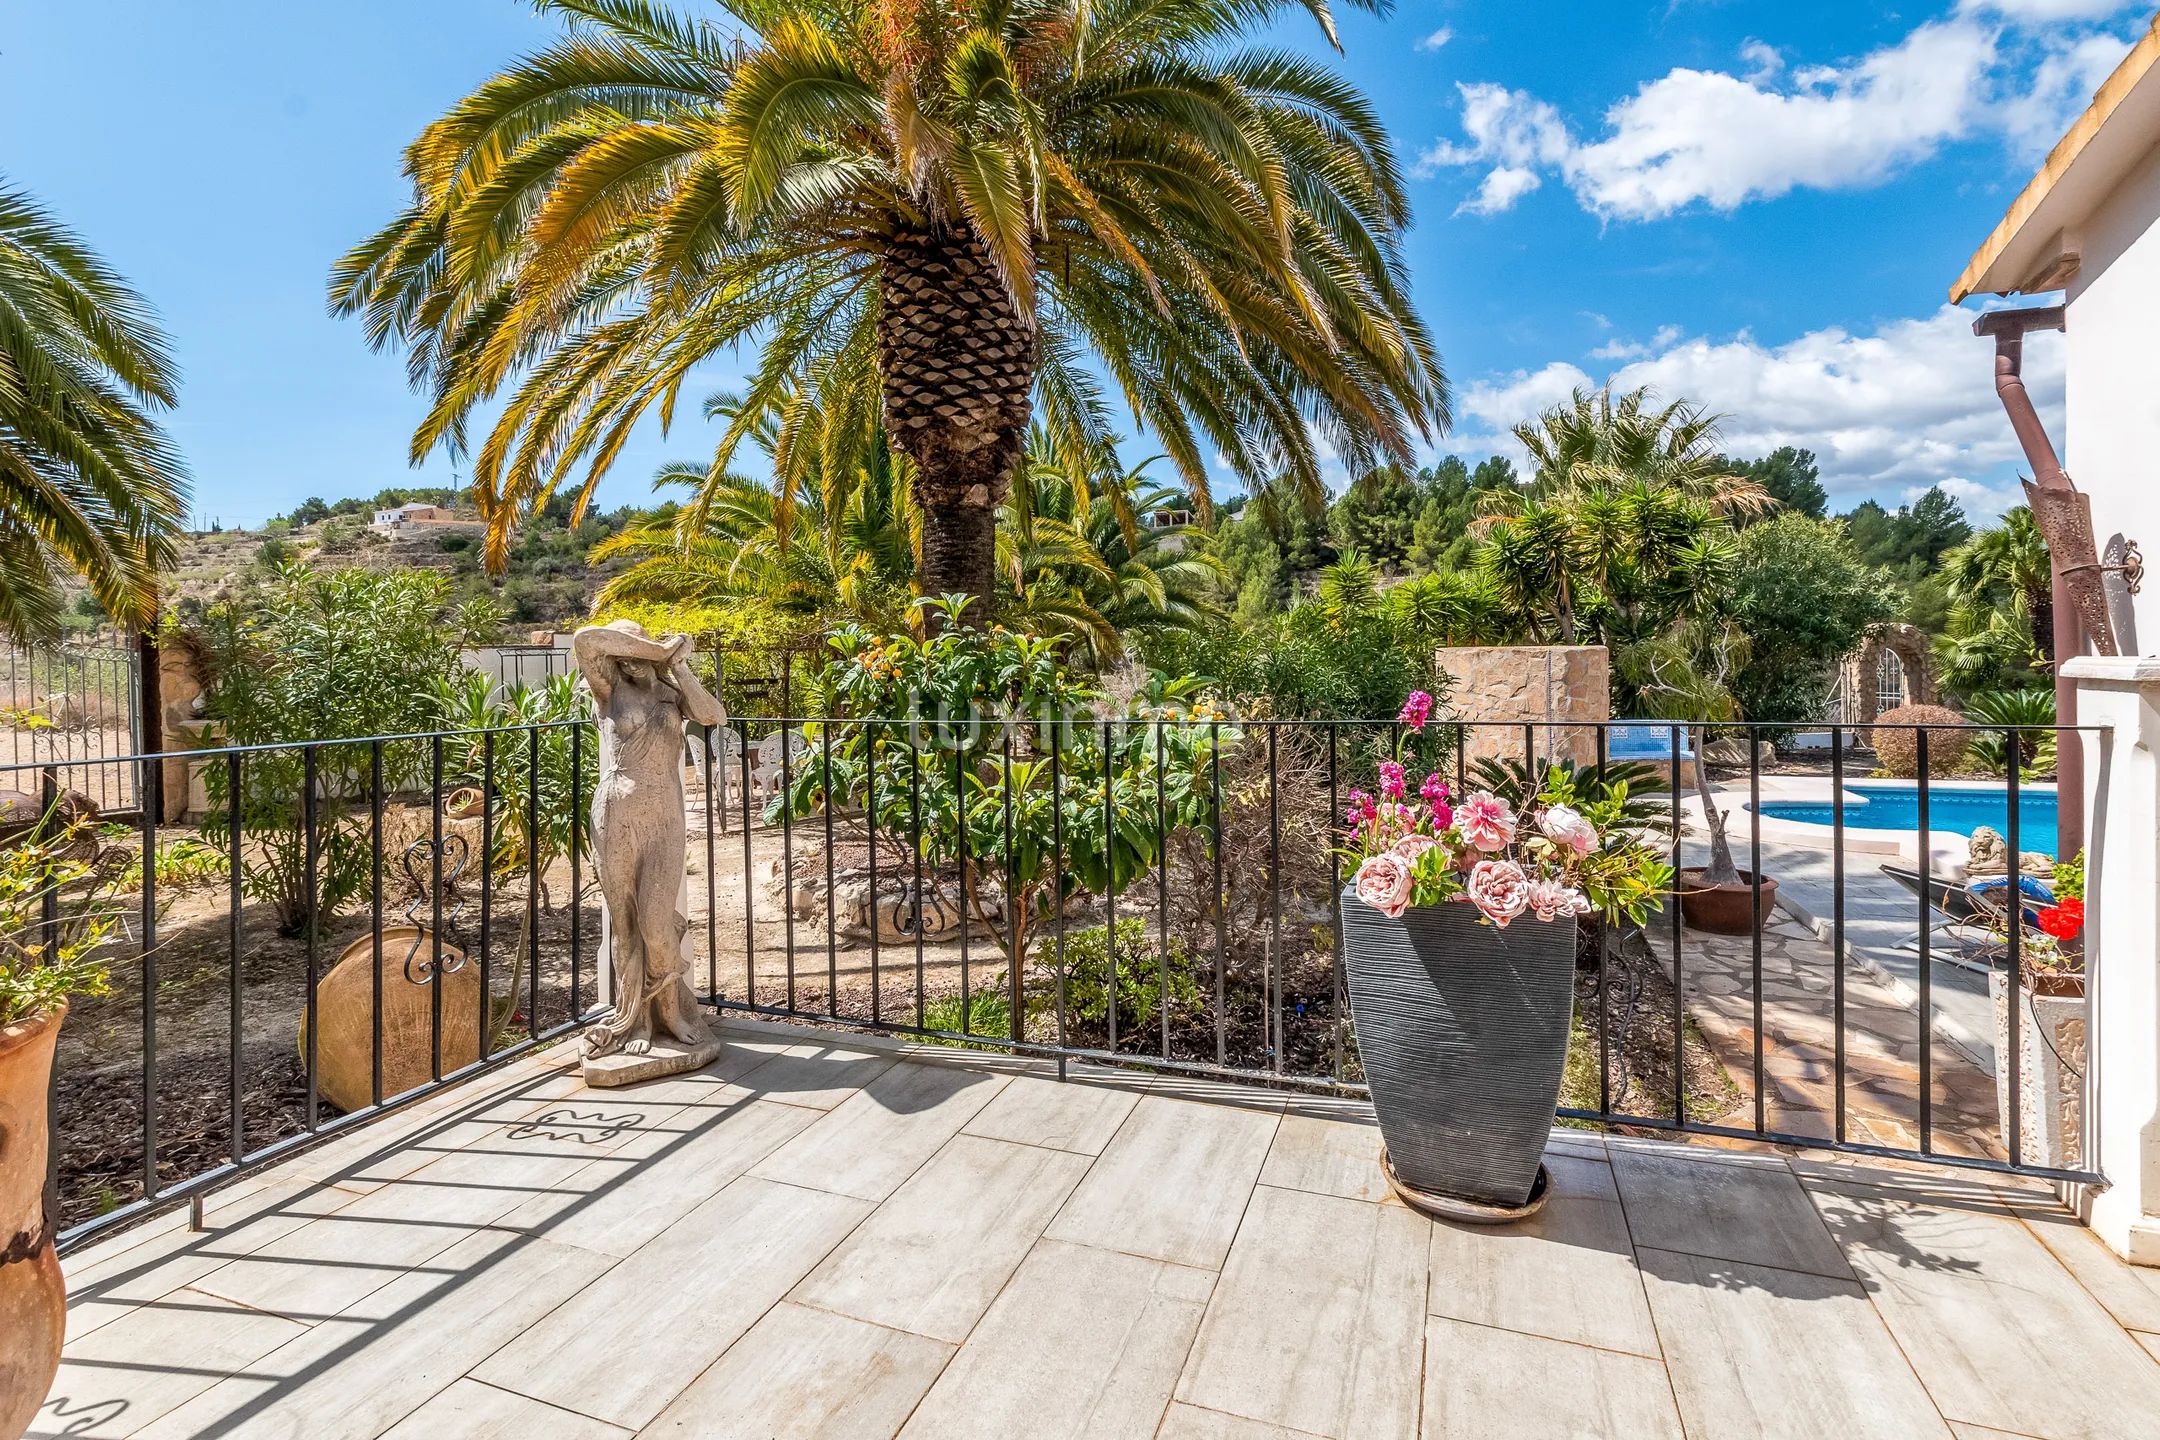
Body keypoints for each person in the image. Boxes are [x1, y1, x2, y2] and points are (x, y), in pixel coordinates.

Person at [571, 621, 726, 1057]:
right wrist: (660, 648)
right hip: (616, 814)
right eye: (627, 655)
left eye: (638, 653)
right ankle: (635, 1021)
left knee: (657, 925)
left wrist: (678, 667)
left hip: (663, 817)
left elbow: (714, 716)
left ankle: (672, 1012)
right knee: (625, 928)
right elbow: (587, 640)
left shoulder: (671, 695)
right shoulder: (608, 692)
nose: (633, 661)